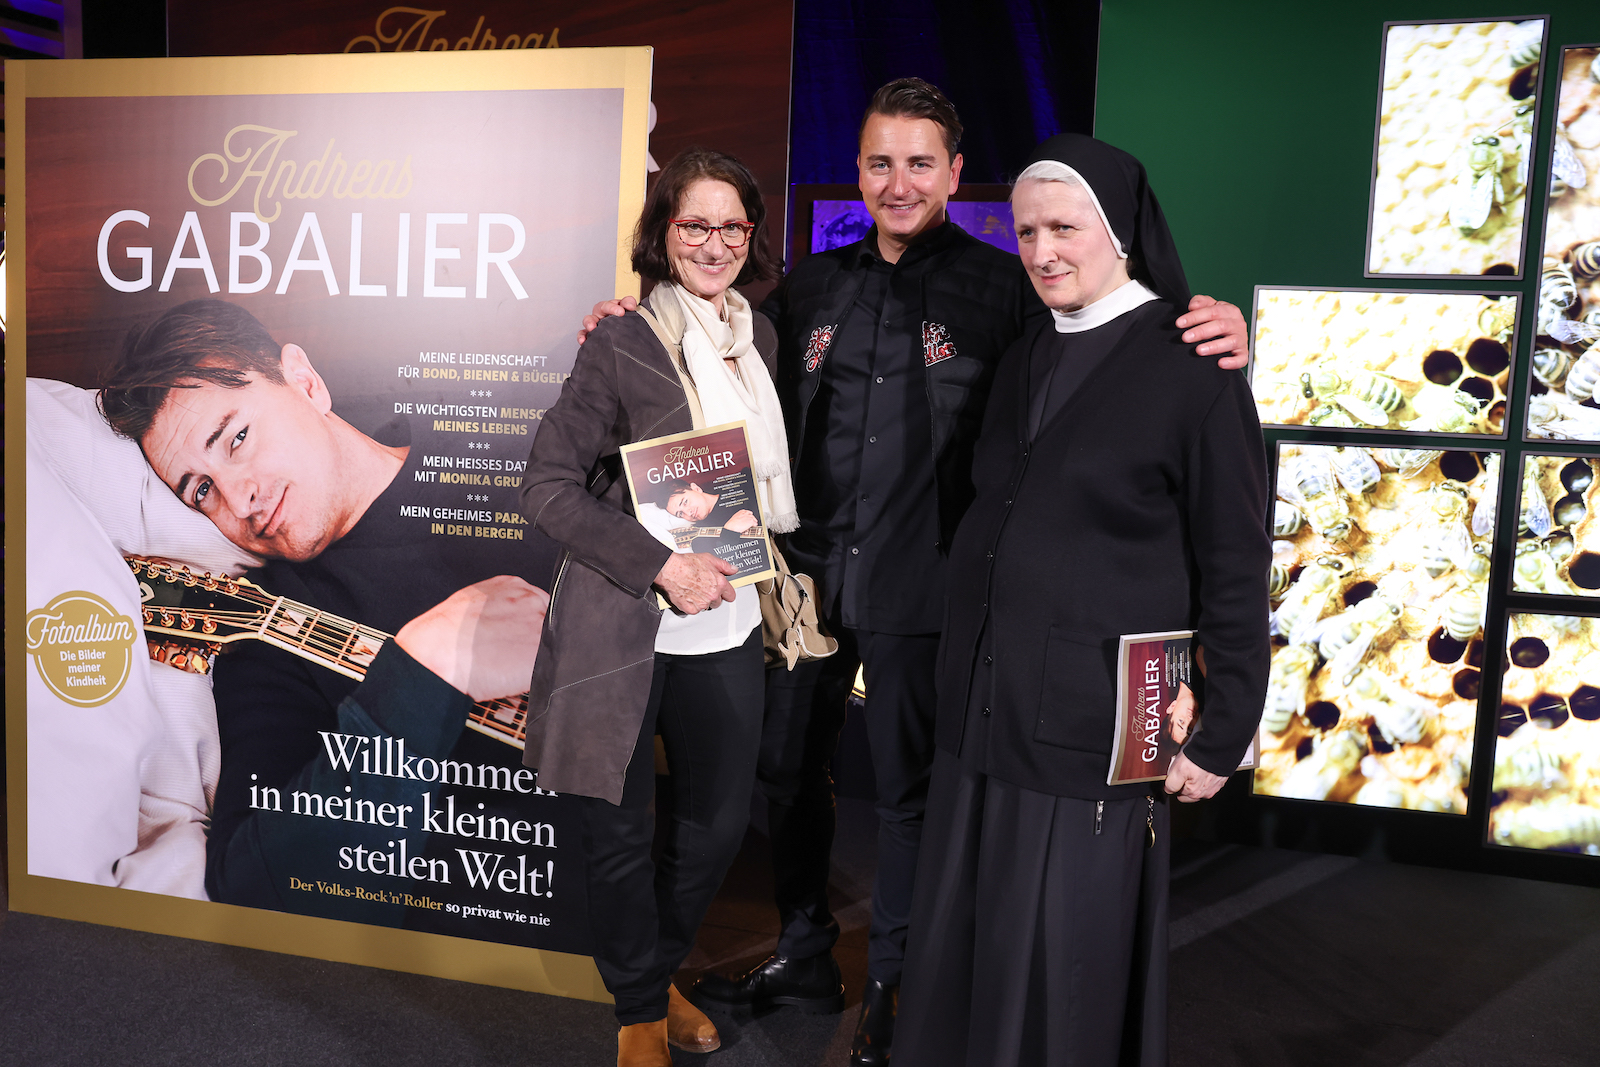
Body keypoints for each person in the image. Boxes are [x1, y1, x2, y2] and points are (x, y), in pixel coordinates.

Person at [583, 78, 1255, 1067]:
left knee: (906, 796)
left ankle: (891, 991)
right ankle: (805, 953)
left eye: (920, 163)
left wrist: (1213, 324)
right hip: (805, 590)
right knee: (787, 778)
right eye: (878, 163)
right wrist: (627, 321)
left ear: (953, 172)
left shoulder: (1012, 291)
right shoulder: (809, 288)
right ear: (857, 172)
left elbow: (1110, 352)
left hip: (929, 594)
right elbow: (712, 354)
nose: (898, 183)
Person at [893, 133, 1270, 1067]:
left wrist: (1226, 725)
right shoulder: (1026, 351)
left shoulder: (1193, 363)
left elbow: (1234, 559)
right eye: (1026, 232)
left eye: (1064, 228)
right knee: (967, 948)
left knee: (1058, 968)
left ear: (1120, 231)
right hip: (983, 713)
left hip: (1086, 726)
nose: (1043, 250)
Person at [96, 299, 552, 923]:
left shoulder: (507, 435)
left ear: (305, 382)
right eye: (201, 490)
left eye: (237, 438)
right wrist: (427, 669)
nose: (239, 500)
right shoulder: (268, 632)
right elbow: (254, 884)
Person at [517, 147, 795, 1067]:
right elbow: (546, 486)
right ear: (662, 233)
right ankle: (639, 1008)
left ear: (751, 234)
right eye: (693, 224)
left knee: (716, 830)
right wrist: (662, 564)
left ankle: (659, 968)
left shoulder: (759, 339)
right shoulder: (620, 340)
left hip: (732, 622)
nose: (714, 243)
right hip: (628, 625)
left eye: (731, 225)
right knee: (619, 830)